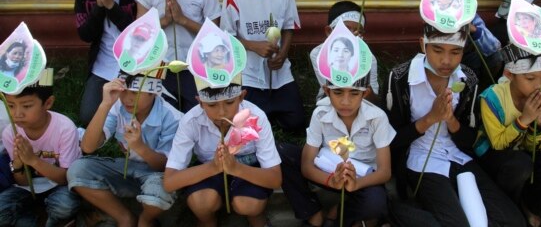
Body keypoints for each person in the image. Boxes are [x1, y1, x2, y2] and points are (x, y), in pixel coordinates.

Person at [382, 23, 524, 227]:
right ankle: (397, 210)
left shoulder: (468, 79)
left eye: (456, 52)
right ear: (423, 45)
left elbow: (469, 139)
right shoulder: (399, 78)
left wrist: (451, 120)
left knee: (513, 221)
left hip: (458, 155)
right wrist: (429, 119)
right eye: (438, 51)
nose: (446, 61)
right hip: (421, 158)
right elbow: (391, 140)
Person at [279, 30, 395, 227]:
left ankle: (339, 212)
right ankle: (312, 212)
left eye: (354, 93)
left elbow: (384, 172)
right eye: (338, 92)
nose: (345, 101)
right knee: (282, 153)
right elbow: (307, 164)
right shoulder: (321, 114)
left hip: (361, 178)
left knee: (376, 204)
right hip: (328, 171)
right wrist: (331, 181)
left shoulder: (377, 118)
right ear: (326, 91)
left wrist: (356, 183)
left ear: (365, 93)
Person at [474, 6, 541, 227]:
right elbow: (497, 143)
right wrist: (523, 120)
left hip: (526, 151)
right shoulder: (492, 98)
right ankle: (509, 205)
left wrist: (539, 122)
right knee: (520, 164)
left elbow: (537, 147)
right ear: (509, 74)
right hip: (495, 153)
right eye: (530, 78)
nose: (539, 84)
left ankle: (532, 205)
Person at [163, 74, 281, 227]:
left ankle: (257, 219)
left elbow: (275, 179)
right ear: (200, 102)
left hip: (248, 169)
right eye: (212, 105)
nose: (221, 113)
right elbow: (170, 182)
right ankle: (207, 221)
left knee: (248, 204)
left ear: (241, 97)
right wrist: (214, 167)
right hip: (209, 169)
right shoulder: (191, 121)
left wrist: (235, 168)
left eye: (230, 102)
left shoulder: (256, 117)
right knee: (201, 202)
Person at [67, 72, 183, 227]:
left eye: (135, 93)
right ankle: (124, 218)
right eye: (124, 91)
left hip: (156, 175)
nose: (128, 98)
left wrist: (139, 147)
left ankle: (146, 220)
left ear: (154, 92)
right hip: (127, 168)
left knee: (157, 193)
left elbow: (165, 167)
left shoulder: (172, 117)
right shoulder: (117, 106)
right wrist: (105, 105)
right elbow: (88, 146)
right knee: (78, 170)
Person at [220, 0, 304, 133]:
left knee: (297, 123)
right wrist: (252, 45)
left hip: (279, 71)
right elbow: (226, 37)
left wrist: (283, 54)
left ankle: (274, 110)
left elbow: (288, 27)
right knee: (250, 124)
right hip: (248, 72)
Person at [135, 0, 221, 113]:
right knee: (162, 112)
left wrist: (182, 20)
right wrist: (165, 20)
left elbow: (215, 36)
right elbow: (139, 37)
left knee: (199, 112)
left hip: (195, 66)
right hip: (159, 67)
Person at [75, 0, 144, 126]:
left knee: (138, 115)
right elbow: (85, 34)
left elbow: (139, 34)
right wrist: (99, 6)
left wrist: (111, 6)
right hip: (103, 64)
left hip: (134, 62)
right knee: (88, 117)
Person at [0, 83, 81, 226]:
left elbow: (65, 178)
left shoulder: (65, 128)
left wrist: (33, 160)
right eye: (11, 106)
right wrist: (18, 164)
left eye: (27, 106)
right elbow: (23, 182)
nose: (17, 114)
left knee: (64, 206)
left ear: (48, 103)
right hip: (27, 189)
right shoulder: (10, 133)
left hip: (58, 185)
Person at [311, 1, 380, 103]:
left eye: (358, 31)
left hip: (362, 102)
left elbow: (373, 100)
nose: (352, 35)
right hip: (329, 100)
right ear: (329, 32)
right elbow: (335, 90)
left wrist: (363, 73)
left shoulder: (369, 58)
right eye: (346, 29)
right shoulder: (318, 54)